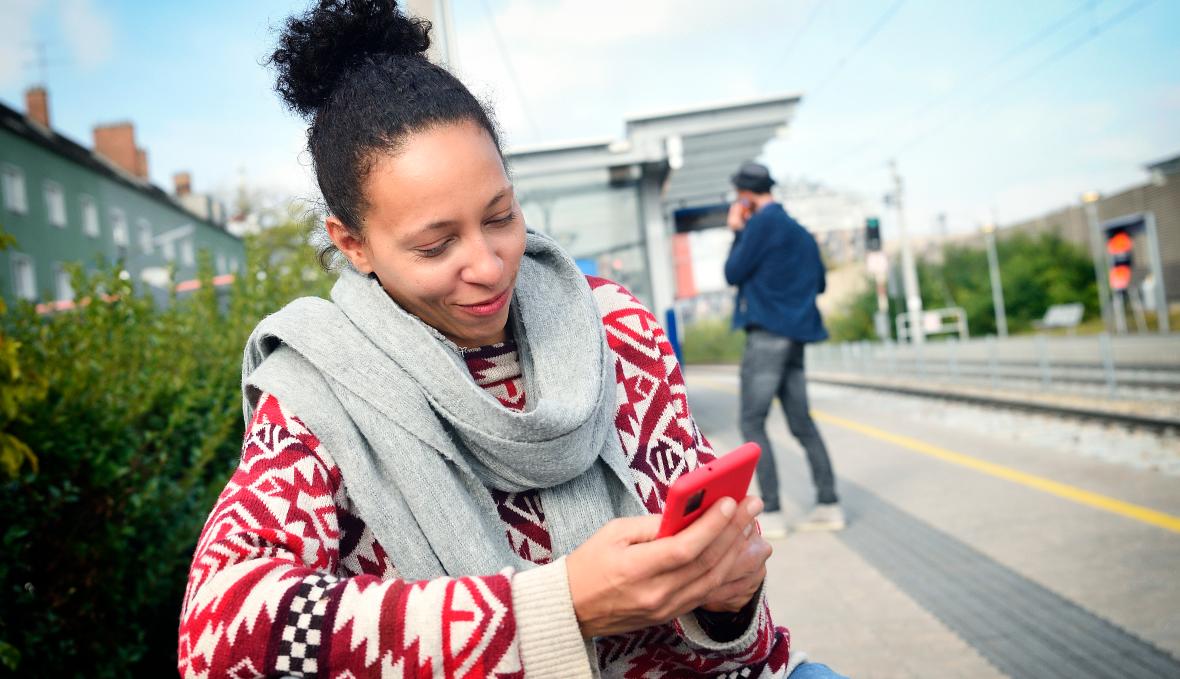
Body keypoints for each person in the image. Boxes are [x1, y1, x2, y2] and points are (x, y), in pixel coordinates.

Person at [177, 2, 848, 677]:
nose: (490, 265)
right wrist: (558, 606)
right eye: (436, 244)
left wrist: (728, 598)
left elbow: (733, 619)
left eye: (501, 215)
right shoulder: (316, 397)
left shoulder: (616, 327)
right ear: (353, 243)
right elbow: (218, 636)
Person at [724, 162, 844, 538]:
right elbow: (821, 283)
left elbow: (732, 272)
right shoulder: (802, 233)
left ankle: (772, 511)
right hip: (796, 339)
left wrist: (737, 232)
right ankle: (829, 504)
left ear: (745, 196)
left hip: (766, 338)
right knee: (802, 423)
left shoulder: (758, 226)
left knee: (752, 421)